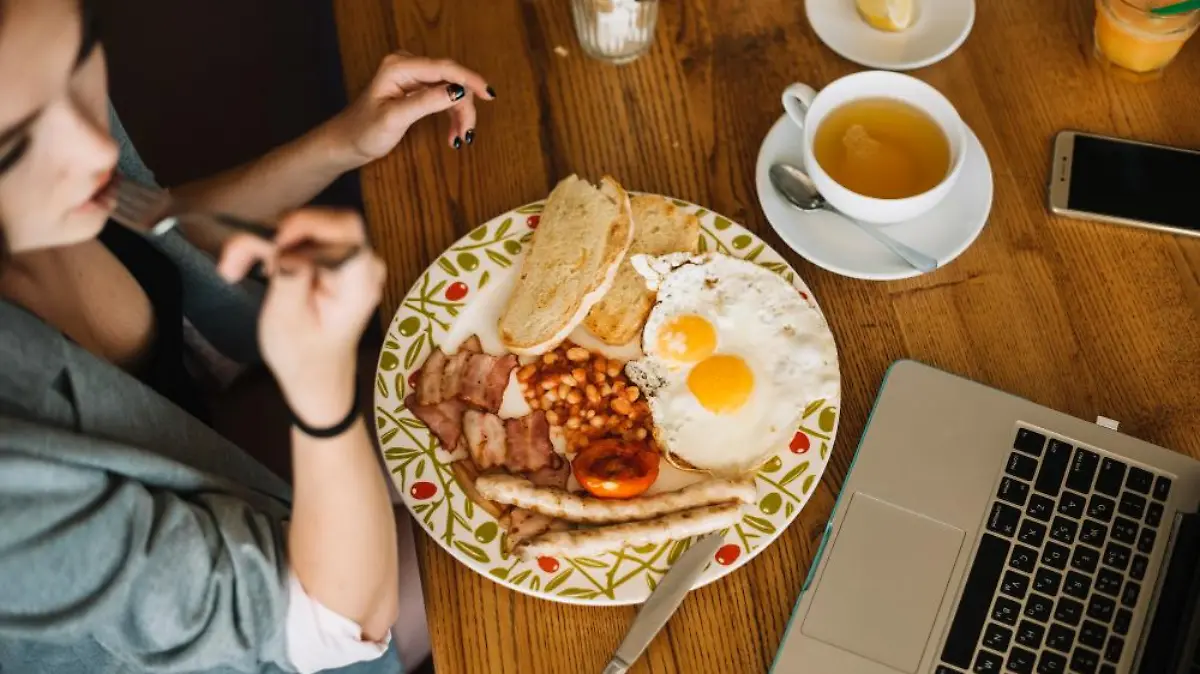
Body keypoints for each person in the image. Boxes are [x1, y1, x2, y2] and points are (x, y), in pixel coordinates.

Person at [0, 0, 493, 672]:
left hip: (263, 450)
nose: (94, 146)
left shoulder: (28, 74)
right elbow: (335, 622)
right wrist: (319, 397)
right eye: (15, 147)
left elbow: (152, 217)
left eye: (81, 58)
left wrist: (343, 142)